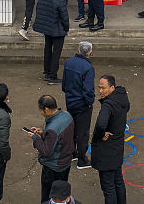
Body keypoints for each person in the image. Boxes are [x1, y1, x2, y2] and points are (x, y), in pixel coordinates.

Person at [30, 94, 75, 203]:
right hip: (66, 162)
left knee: (48, 197)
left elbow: (46, 151)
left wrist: (36, 138)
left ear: (46, 109)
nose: (40, 113)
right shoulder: (67, 115)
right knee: (61, 195)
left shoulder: (52, 128)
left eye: (41, 110)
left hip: (53, 168)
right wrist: (43, 133)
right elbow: (60, 137)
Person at [92, 74, 130, 204]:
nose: (100, 91)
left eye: (103, 88)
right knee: (118, 181)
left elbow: (101, 124)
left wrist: (99, 134)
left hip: (107, 152)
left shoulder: (108, 105)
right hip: (118, 147)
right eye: (99, 88)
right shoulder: (122, 98)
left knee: (108, 187)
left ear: (112, 87)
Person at [62, 41, 95, 170]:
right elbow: (88, 90)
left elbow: (64, 85)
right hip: (82, 105)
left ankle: (72, 153)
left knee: (72, 130)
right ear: (90, 53)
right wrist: (89, 102)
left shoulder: (68, 62)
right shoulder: (88, 68)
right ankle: (82, 159)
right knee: (82, 133)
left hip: (70, 102)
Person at [33, 0, 70, 83]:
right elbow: (64, 17)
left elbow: (40, 9)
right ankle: (52, 75)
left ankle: (47, 70)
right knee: (56, 52)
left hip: (47, 27)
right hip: (57, 29)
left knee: (47, 48)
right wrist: (66, 28)